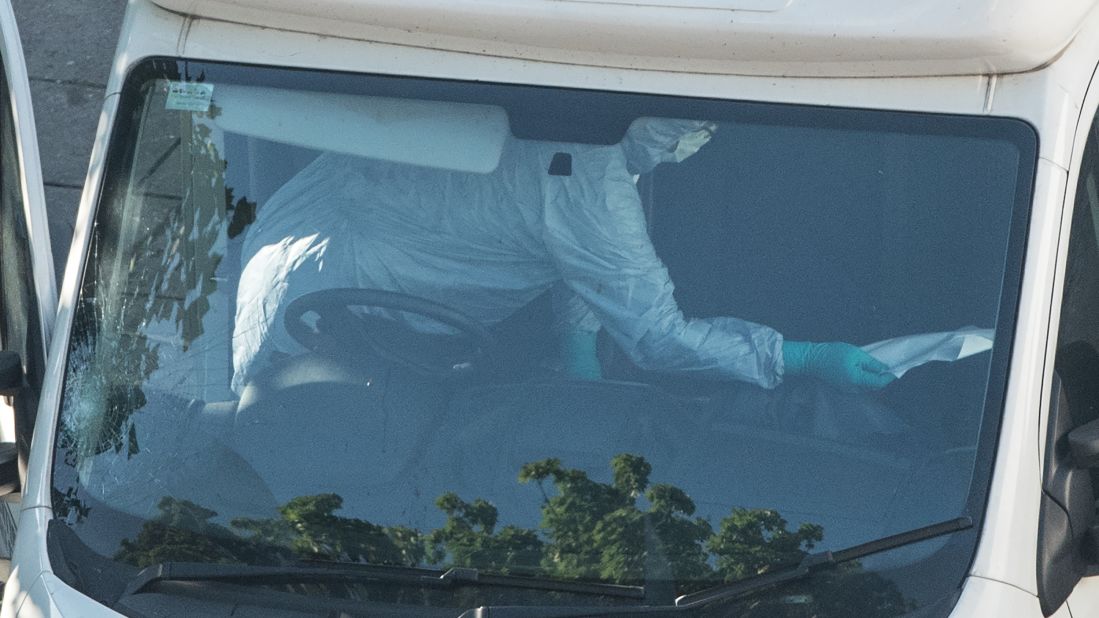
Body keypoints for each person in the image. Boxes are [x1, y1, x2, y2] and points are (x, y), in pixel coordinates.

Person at [231, 116, 894, 393]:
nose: (692, 143)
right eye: (690, 128)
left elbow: (572, 246)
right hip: (334, 327)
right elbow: (659, 339)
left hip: (284, 267)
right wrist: (801, 357)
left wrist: (577, 350)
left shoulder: (554, 116)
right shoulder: (591, 181)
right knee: (287, 435)